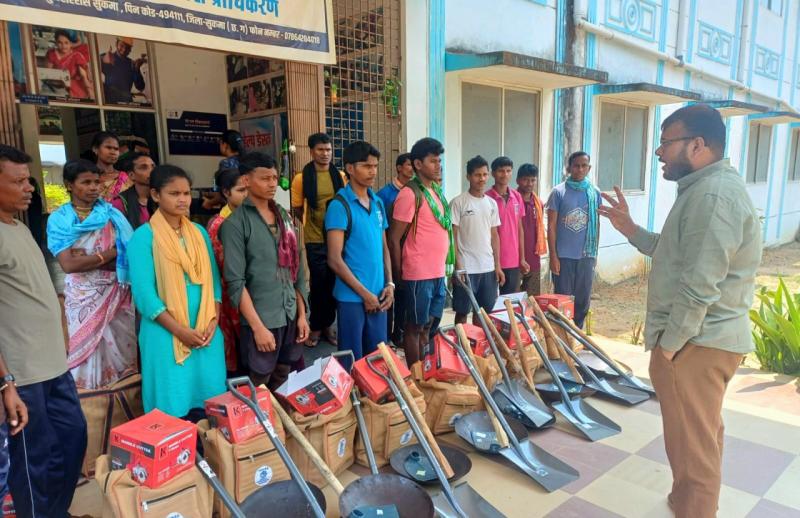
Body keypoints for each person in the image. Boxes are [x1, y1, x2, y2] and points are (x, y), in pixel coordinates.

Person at [600, 104, 761, 518]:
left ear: (697, 145)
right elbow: (675, 253)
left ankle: (696, 509)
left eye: (666, 142)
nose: (658, 152)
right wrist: (631, 230)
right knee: (695, 435)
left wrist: (668, 349)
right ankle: (686, 499)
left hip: (697, 342)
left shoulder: (714, 196)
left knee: (694, 444)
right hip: (699, 339)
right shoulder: (703, 189)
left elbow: (700, 284)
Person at [0, 145, 86, 518]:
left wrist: (62, 325)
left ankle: (56, 512)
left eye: (28, 180)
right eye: (18, 181)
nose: (29, 188)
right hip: (22, 376)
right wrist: (6, 382)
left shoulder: (19, 227)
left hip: (53, 367)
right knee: (33, 462)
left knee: (72, 440)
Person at [128, 165, 225, 418]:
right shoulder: (143, 237)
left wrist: (213, 320)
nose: (183, 199)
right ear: (155, 195)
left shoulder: (200, 233)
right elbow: (144, 295)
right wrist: (180, 331)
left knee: (210, 404)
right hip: (165, 335)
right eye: (174, 193)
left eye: (186, 193)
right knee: (172, 406)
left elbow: (213, 281)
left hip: (205, 331)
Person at [46, 159, 138, 389]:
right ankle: (90, 403)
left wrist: (87, 259)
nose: (94, 187)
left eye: (96, 182)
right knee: (83, 353)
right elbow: (69, 265)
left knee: (123, 350)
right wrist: (110, 253)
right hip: (82, 296)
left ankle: (125, 401)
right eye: (86, 182)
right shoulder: (60, 219)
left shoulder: (112, 215)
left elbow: (130, 254)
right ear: (69, 185)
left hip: (117, 292)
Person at [221, 152, 309, 389]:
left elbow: (298, 270)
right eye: (265, 178)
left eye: (274, 178)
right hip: (262, 316)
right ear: (246, 180)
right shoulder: (235, 225)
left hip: (290, 313)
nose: (272, 184)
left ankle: (280, 414)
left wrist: (302, 315)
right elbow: (236, 282)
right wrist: (258, 328)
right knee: (259, 381)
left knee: (284, 375)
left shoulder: (284, 217)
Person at [325, 141, 393, 363]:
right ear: (350, 168)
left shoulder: (378, 202)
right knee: (351, 362)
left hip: (379, 296)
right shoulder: (339, 205)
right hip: (352, 299)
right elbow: (334, 259)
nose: (372, 171)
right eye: (366, 166)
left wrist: (390, 284)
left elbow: (384, 248)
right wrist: (365, 295)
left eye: (375, 166)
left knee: (378, 360)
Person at [389, 138, 452, 366]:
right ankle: (415, 376)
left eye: (439, 161)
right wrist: (399, 276)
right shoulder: (409, 194)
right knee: (414, 327)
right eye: (433, 161)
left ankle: (425, 370)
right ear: (417, 164)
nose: (438, 166)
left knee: (429, 326)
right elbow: (394, 238)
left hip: (437, 273)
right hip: (417, 274)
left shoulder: (435, 192)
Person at [290, 133, 346, 347]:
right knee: (318, 284)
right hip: (314, 238)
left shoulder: (340, 176)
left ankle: (327, 325)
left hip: (337, 237)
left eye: (328, 150)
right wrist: (312, 223)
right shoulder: (301, 178)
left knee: (333, 283)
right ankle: (316, 326)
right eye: (321, 150)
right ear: (311, 151)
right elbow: (297, 208)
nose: (325, 154)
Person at [546, 151, 602, 328]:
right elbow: (551, 226)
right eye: (576, 165)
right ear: (569, 168)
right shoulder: (558, 192)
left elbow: (597, 223)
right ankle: (563, 335)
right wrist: (553, 256)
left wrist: (595, 253)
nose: (580, 169)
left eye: (584, 166)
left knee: (583, 300)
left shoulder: (594, 193)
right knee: (563, 300)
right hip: (564, 256)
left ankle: (577, 334)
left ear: (589, 168)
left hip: (586, 255)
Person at [450, 155, 502, 324]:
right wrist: (458, 266)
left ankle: (479, 342)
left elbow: (494, 236)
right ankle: (461, 342)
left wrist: (497, 266)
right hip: (466, 269)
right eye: (477, 175)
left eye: (485, 175)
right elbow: (452, 236)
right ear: (468, 177)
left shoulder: (492, 204)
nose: (482, 179)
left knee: (483, 315)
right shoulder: (458, 202)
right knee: (462, 313)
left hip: (488, 267)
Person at [207, 168, 247, 373]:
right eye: (241, 190)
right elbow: (225, 268)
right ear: (225, 192)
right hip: (230, 294)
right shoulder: (219, 225)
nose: (247, 195)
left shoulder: (254, 216)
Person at [377, 152, 413, 344]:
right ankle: (385, 338)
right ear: (399, 168)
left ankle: (398, 335)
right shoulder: (384, 195)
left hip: (409, 253)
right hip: (390, 251)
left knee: (404, 296)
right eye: (408, 165)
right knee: (389, 292)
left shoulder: (415, 192)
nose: (412, 169)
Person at [486, 156, 529, 294]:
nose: (505, 174)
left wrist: (522, 258)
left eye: (508, 171)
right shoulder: (486, 198)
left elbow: (519, 229)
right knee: (489, 302)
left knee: (508, 300)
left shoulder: (517, 197)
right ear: (493, 173)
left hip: (512, 260)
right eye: (501, 171)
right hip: (490, 259)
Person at [517, 163, 547, 296]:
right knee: (513, 299)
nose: (529, 183)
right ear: (518, 180)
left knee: (533, 299)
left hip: (534, 259)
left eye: (533, 180)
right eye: (525, 179)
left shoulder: (538, 203)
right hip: (514, 260)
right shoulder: (512, 201)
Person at [112, 152, 156, 229]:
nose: (151, 171)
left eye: (153, 166)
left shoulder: (164, 198)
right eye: (144, 167)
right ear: (131, 175)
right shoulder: (119, 203)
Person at [46, 29, 92, 99]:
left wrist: (89, 90)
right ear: (56, 43)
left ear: (71, 43)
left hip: (74, 82)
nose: (63, 46)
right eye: (60, 43)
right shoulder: (51, 53)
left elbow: (83, 76)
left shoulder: (76, 55)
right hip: (56, 82)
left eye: (66, 43)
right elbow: (48, 72)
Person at [100, 36, 146, 104]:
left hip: (126, 103)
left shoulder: (131, 64)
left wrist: (137, 69)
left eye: (127, 47)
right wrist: (102, 60)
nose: (124, 49)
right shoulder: (107, 57)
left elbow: (140, 87)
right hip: (110, 102)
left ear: (130, 50)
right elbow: (92, 72)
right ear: (116, 44)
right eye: (121, 45)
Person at [92, 131, 130, 200]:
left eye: (116, 149)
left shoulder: (125, 178)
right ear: (95, 149)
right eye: (108, 147)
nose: (113, 152)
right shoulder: (87, 177)